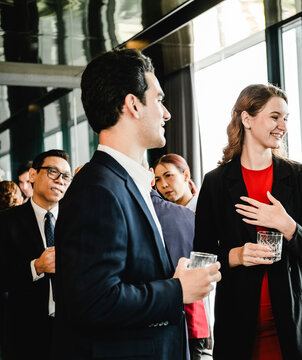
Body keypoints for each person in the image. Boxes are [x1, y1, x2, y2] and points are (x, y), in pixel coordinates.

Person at [53, 48, 221, 359]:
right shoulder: (98, 190)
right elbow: (94, 301)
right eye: (159, 99)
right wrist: (178, 290)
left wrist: (174, 279)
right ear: (133, 104)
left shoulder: (128, 183)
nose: (167, 113)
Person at [193, 84, 302, 359]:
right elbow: (202, 258)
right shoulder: (216, 182)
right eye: (275, 116)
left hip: (293, 329)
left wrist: (287, 225)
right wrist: (237, 255)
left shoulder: (300, 177)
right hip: (237, 329)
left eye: (286, 119)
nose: (283, 126)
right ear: (247, 119)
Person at [0, 149, 72, 360]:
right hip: (25, 333)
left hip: (72, 331)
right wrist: (36, 267)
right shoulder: (7, 222)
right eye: (52, 172)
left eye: (66, 176)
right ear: (33, 175)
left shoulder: (77, 221)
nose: (60, 180)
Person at [150, 187, 210, 360]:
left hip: (174, 311)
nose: (164, 185)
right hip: (194, 315)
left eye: (168, 176)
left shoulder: (151, 214)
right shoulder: (187, 215)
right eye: (160, 179)